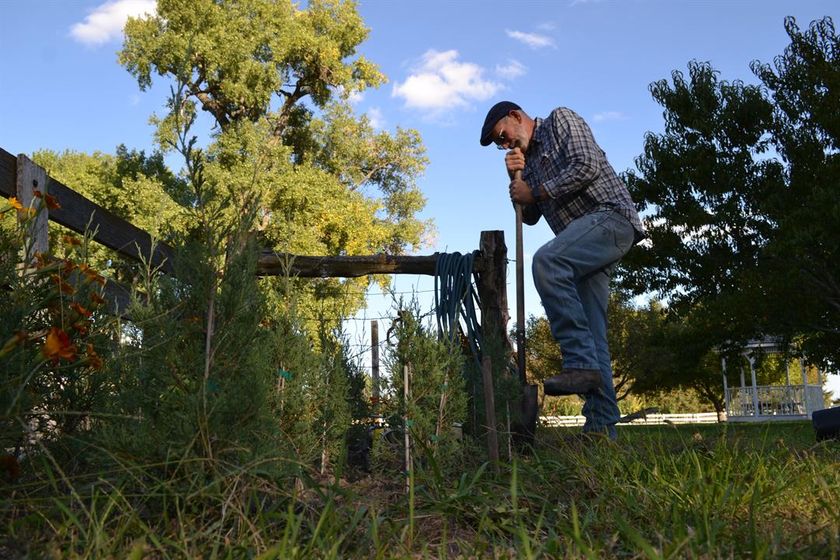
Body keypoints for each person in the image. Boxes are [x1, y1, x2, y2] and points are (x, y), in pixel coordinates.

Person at [480, 101, 645, 439]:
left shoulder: (560, 121)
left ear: (516, 117)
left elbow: (587, 165)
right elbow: (529, 215)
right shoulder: (528, 164)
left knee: (547, 262)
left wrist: (535, 190)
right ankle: (602, 431)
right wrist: (514, 178)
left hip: (611, 219)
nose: (505, 144)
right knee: (594, 335)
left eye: (503, 135)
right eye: (499, 143)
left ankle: (579, 364)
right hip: (583, 245)